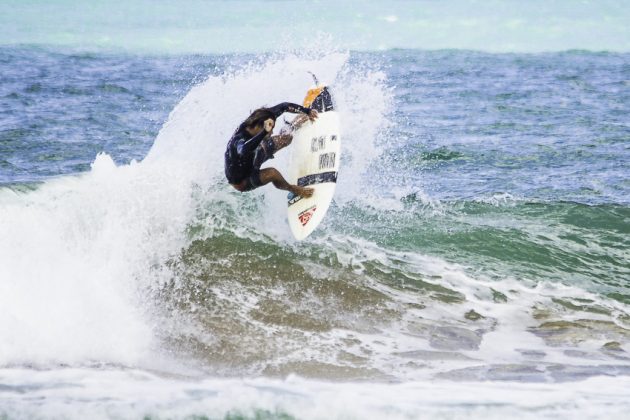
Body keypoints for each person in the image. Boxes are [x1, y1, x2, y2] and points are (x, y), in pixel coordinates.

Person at [224, 102, 318, 197]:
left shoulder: (261, 118)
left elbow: (284, 106)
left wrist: (307, 111)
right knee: (272, 173)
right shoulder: (239, 139)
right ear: (259, 127)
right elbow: (243, 150)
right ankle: (293, 189)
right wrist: (264, 132)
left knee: (286, 139)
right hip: (243, 179)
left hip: (254, 155)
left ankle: (291, 126)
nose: (272, 132)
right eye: (270, 129)